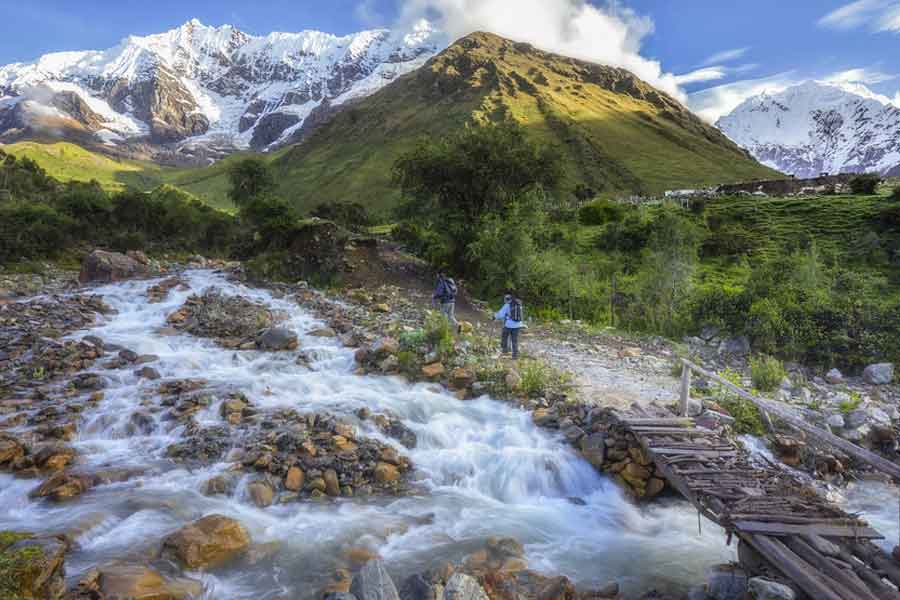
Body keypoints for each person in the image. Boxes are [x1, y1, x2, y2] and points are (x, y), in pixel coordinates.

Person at [494, 293, 525, 359]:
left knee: (504, 336)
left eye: (504, 299)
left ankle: (505, 350)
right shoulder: (518, 304)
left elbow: (501, 314)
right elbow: (521, 315)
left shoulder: (507, 305)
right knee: (514, 340)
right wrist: (522, 324)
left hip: (509, 325)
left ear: (506, 299)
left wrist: (494, 316)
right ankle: (515, 355)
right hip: (518, 325)